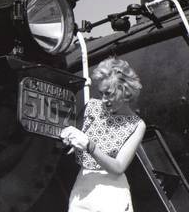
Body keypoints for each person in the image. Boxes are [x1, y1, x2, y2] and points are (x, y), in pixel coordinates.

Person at [60, 57, 146, 212]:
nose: (104, 100)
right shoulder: (92, 106)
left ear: (125, 91)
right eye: (101, 94)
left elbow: (118, 167)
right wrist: (69, 140)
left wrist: (90, 146)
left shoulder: (137, 125)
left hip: (111, 192)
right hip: (83, 185)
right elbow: (75, 142)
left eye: (109, 94)